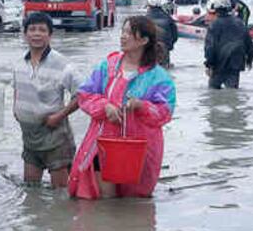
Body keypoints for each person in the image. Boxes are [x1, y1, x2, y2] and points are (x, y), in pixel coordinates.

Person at [69, 16, 176, 200]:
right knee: (105, 198)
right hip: (102, 144)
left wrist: (141, 106)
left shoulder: (159, 78)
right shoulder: (108, 67)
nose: (123, 37)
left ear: (143, 40)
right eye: (122, 32)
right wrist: (105, 106)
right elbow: (84, 95)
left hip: (140, 148)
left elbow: (164, 113)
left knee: (134, 199)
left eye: (129, 33)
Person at [12, 13, 80, 188]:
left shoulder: (62, 64)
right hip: (29, 137)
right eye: (32, 29)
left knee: (61, 194)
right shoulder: (19, 62)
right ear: (25, 34)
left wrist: (59, 116)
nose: (36, 34)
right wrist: (16, 109)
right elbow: (16, 88)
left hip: (55, 136)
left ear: (50, 35)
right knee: (31, 191)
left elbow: (82, 94)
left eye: (42, 30)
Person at [204, 0, 253, 89]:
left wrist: (209, 65)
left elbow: (210, 47)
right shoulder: (240, 23)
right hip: (236, 63)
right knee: (232, 93)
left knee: (212, 93)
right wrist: (250, 60)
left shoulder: (214, 25)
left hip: (218, 64)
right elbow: (249, 43)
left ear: (216, 9)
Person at [145, 0, 178, 68]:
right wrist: (169, 45)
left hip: (149, 51)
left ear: (149, 6)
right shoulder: (168, 18)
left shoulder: (145, 20)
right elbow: (175, 35)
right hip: (165, 50)